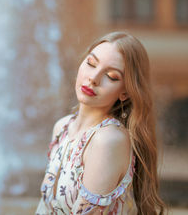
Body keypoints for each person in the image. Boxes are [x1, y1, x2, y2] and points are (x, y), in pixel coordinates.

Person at [36, 32, 165, 214]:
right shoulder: (62, 127)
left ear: (125, 92)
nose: (93, 78)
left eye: (112, 76)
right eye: (91, 63)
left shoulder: (108, 140)